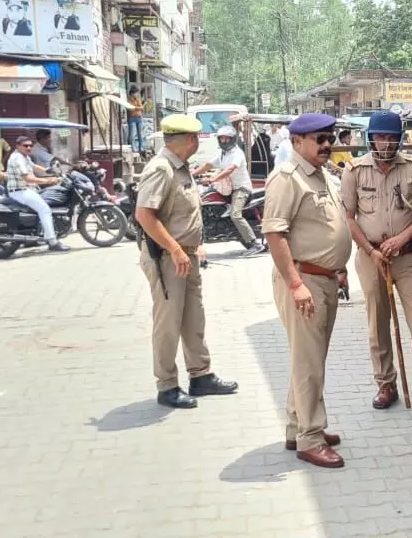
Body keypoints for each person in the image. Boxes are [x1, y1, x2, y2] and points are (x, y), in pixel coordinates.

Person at [341, 111, 412, 416]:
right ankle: (385, 383)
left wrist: (402, 239)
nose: (386, 143)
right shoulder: (354, 170)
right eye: (380, 137)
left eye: (391, 137)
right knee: (378, 322)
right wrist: (371, 250)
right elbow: (348, 218)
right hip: (371, 257)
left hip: (408, 256)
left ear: (399, 139)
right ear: (370, 138)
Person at [262, 113, 352, 469]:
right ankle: (310, 438)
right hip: (304, 280)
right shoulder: (288, 178)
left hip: (325, 278)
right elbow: (275, 234)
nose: (326, 145)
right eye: (318, 139)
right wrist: (295, 284)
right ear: (297, 142)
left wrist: (339, 267)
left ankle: (297, 426)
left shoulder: (322, 176)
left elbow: (330, 226)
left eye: (329, 138)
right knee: (309, 363)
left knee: (308, 359)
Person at [134, 114, 239, 409]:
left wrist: (196, 246)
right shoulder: (161, 169)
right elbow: (145, 216)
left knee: (194, 318)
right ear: (189, 140)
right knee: (168, 322)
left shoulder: (180, 168)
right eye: (196, 138)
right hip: (168, 258)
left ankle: (201, 375)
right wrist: (177, 250)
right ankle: (167, 386)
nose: (197, 143)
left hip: (186, 255)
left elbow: (184, 214)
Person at [193, 125, 266, 256]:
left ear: (232, 140)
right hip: (230, 189)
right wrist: (191, 174)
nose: (224, 141)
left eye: (226, 139)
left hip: (241, 189)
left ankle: (256, 244)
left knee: (235, 214)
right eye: (221, 139)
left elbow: (230, 169)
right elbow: (207, 165)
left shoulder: (237, 153)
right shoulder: (223, 154)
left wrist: (213, 179)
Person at [5, 136, 70, 253]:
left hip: (27, 190)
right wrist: (48, 180)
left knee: (41, 206)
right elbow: (28, 178)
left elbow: (34, 166)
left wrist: (48, 171)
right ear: (18, 146)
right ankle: (52, 241)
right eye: (25, 146)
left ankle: (35, 236)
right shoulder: (17, 158)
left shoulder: (24, 157)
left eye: (30, 145)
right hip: (20, 191)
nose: (29, 148)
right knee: (44, 209)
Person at [127, 87, 146, 153]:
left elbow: (141, 108)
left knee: (140, 134)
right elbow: (130, 109)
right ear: (132, 93)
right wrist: (138, 108)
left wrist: (136, 107)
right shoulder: (129, 100)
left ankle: (141, 148)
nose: (137, 94)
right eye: (136, 93)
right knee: (132, 135)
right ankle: (132, 149)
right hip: (132, 118)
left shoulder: (137, 99)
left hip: (139, 118)